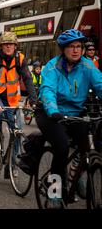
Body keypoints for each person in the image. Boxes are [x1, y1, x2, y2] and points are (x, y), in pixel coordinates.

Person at [35, 29, 102, 208]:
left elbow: (100, 85)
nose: (76, 50)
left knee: (89, 144)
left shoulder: (88, 66)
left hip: (75, 114)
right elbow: (47, 90)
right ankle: (54, 191)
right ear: (63, 50)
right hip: (50, 113)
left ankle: (79, 173)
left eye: (79, 47)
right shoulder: (52, 67)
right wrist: (53, 110)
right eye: (71, 47)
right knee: (62, 146)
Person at [0, 31, 37, 150]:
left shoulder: (20, 59)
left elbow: (28, 79)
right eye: (5, 44)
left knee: (17, 131)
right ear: (1, 46)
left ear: (15, 46)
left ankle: (13, 164)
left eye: (11, 44)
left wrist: (33, 100)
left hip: (11, 99)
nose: (8, 46)